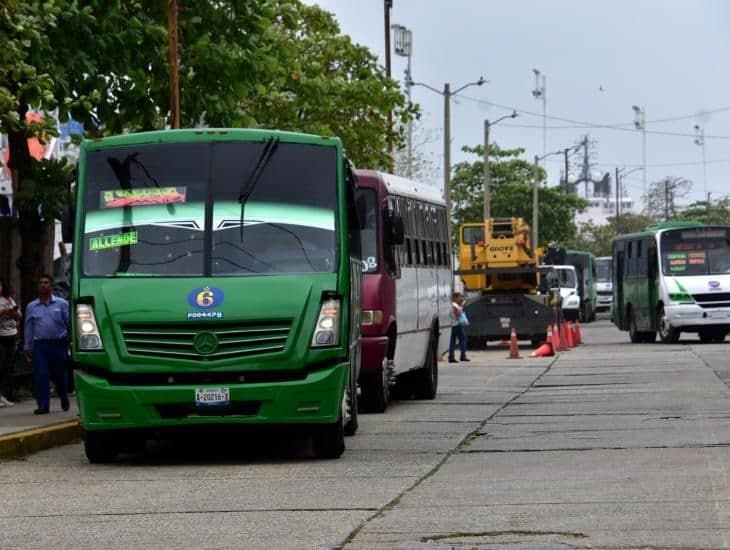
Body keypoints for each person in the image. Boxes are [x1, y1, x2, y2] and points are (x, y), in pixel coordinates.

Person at [24, 274, 70, 414]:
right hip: (40, 345)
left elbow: (69, 322)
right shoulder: (32, 306)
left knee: (59, 375)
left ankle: (63, 395)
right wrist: (27, 346)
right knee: (41, 375)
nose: (43, 285)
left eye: (46, 282)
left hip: (58, 344)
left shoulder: (62, 303)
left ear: (51, 286)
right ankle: (43, 405)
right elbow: (29, 327)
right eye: (41, 282)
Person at [0, 278, 20, 407]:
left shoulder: (8, 299)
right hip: (0, 336)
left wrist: (13, 313)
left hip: (11, 336)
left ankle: (4, 395)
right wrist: (3, 312)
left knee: (8, 368)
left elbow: (19, 315)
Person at [448, 292, 470, 363]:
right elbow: (457, 314)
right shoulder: (454, 305)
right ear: (455, 298)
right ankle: (463, 356)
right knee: (463, 339)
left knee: (452, 341)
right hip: (457, 325)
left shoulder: (452, 304)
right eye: (459, 297)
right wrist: (461, 308)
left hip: (452, 325)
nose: (460, 298)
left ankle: (451, 357)